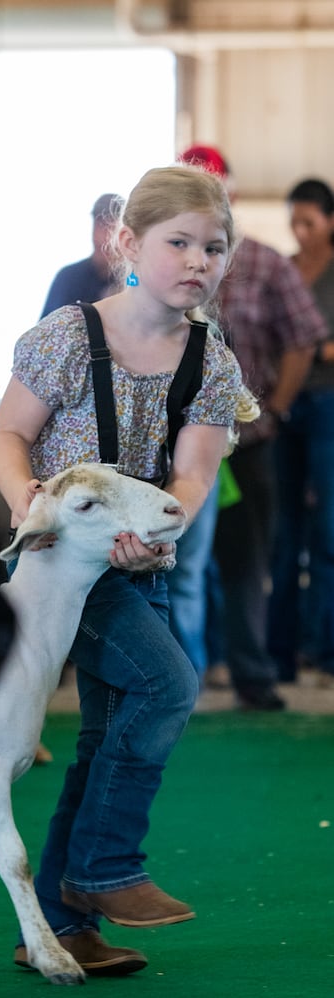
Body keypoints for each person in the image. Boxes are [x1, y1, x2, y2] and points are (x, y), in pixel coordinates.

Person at [0, 165, 256, 976]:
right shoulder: (67, 337)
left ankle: (64, 931)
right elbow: (6, 436)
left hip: (140, 567)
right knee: (170, 685)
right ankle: (107, 869)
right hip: (59, 567)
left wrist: (158, 528)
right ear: (128, 244)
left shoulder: (210, 360)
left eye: (213, 248)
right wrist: (25, 501)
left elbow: (193, 475)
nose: (197, 261)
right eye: (178, 243)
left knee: (102, 734)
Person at [168, 145, 328, 708]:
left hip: (249, 444)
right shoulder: (158, 266)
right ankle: (178, 678)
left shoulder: (264, 263)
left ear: (230, 196)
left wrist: (276, 408)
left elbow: (303, 339)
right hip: (177, 443)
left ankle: (251, 675)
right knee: (176, 564)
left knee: (248, 560)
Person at [268, 178, 334, 683]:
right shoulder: (285, 271)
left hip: (329, 407)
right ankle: (282, 655)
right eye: (294, 221)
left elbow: (305, 344)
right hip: (284, 405)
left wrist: (311, 349)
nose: (299, 231)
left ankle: (324, 649)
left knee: (328, 532)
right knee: (284, 533)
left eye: (308, 222)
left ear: (330, 221)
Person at [40, 193, 124, 318]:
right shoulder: (68, 277)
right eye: (101, 226)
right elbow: (45, 332)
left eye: (113, 228)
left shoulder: (136, 280)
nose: (106, 239)